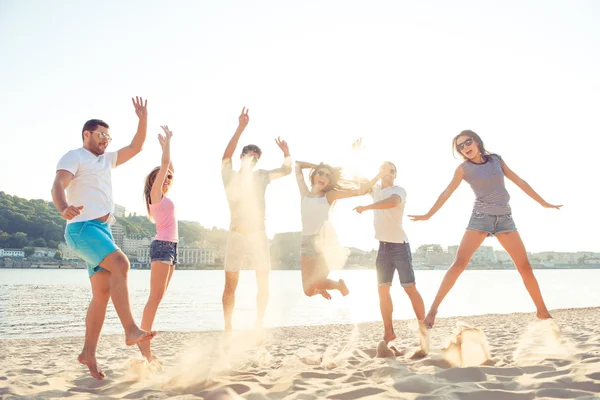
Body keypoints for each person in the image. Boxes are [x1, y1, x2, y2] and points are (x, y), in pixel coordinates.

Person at [409, 130, 560, 328]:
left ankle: (542, 311)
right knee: (459, 263)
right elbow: (447, 192)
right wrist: (428, 215)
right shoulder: (463, 169)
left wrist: (543, 203)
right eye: (460, 146)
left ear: (477, 142)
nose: (465, 148)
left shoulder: (496, 160)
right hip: (480, 219)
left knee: (525, 267)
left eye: (467, 142)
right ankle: (434, 310)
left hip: (505, 219)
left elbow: (519, 181)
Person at [51, 97, 155, 380]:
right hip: (82, 228)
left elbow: (136, 147)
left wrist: (142, 119)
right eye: (101, 136)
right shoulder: (75, 156)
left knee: (102, 294)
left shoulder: (107, 160)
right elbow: (58, 184)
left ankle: (88, 353)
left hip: (101, 231)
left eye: (109, 137)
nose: (105, 141)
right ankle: (131, 329)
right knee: (121, 264)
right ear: (87, 134)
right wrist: (63, 208)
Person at [221, 107, 292, 331]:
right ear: (242, 157)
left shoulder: (261, 177)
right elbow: (225, 157)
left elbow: (286, 171)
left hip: (258, 235)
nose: (252, 160)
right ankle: (228, 327)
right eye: (249, 156)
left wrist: (287, 153)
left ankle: (258, 324)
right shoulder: (230, 177)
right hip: (236, 235)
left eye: (256, 158)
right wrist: (240, 128)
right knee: (231, 283)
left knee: (263, 282)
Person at [354, 162, 428, 351]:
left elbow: (393, 202)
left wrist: (368, 207)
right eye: (385, 169)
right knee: (382, 290)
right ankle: (388, 332)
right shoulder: (376, 189)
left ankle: (423, 330)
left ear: (396, 175)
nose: (388, 173)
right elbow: (361, 185)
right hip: (383, 248)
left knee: (410, 288)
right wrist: (373, 171)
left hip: (400, 247)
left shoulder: (399, 190)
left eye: (392, 170)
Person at [295, 160, 383, 299]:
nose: (323, 177)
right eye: (320, 173)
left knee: (317, 282)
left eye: (328, 176)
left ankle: (337, 285)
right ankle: (322, 286)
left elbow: (360, 191)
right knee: (308, 291)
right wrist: (315, 166)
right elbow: (297, 166)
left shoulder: (329, 196)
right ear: (313, 176)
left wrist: (379, 176)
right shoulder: (305, 194)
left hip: (325, 243)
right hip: (306, 243)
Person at [138, 125, 177, 363]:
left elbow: (169, 168)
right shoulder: (155, 196)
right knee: (154, 297)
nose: (166, 179)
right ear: (153, 181)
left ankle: (144, 338)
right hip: (162, 246)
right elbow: (165, 167)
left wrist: (165, 148)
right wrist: (168, 143)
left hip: (171, 247)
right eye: (162, 178)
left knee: (159, 296)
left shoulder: (165, 196)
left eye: (168, 179)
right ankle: (143, 342)